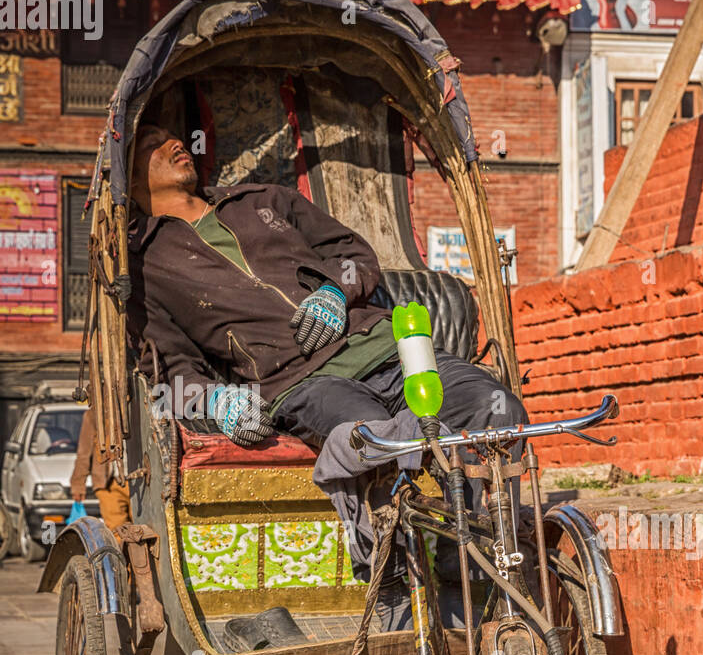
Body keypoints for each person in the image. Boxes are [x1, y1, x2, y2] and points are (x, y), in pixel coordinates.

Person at [125, 123, 526, 627]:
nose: (174, 143)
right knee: (371, 438)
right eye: (152, 145)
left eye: (173, 135)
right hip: (299, 383)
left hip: (385, 346)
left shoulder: (263, 200)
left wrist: (336, 292)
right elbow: (168, 372)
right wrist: (214, 402)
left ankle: (475, 552)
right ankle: (391, 577)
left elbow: (357, 257)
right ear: (130, 178)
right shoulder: (144, 265)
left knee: (498, 407)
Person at [70, 408, 129, 530]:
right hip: (109, 484)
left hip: (138, 480)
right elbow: (84, 453)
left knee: (144, 527)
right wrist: (78, 484)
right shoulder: (93, 415)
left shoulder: (137, 408)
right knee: (117, 531)